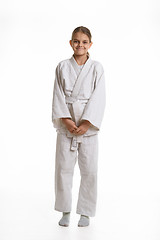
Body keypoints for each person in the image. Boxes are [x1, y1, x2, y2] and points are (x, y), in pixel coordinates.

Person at [52, 26, 106, 227]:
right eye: (76, 41)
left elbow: (99, 98)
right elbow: (57, 95)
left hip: (88, 128)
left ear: (90, 44)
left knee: (89, 170)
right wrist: (66, 120)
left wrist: (86, 123)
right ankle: (65, 210)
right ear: (70, 43)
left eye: (84, 42)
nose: (80, 45)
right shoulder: (62, 67)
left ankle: (85, 212)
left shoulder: (97, 68)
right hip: (66, 125)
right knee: (63, 169)